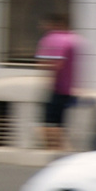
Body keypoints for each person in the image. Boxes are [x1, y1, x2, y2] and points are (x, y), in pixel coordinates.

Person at [35, 12, 82, 152]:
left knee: (49, 123)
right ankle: (58, 149)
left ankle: (54, 149)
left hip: (57, 88)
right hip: (69, 88)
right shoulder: (74, 39)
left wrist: (44, 64)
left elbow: (56, 64)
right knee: (59, 122)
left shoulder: (56, 39)